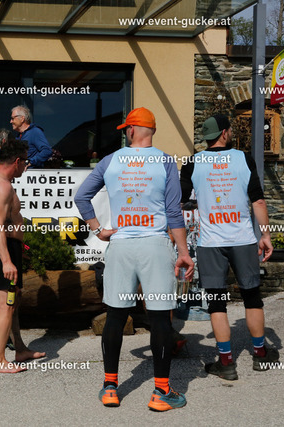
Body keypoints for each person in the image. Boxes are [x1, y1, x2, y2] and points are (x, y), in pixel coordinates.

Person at [75, 107, 194, 411]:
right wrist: (183, 252)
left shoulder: (110, 161)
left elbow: (81, 196)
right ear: (151, 131)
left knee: (116, 315)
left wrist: (98, 229)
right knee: (160, 317)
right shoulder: (166, 161)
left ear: (130, 130)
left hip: (121, 246)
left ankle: (110, 387)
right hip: (155, 244)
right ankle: (161, 392)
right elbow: (173, 212)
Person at [180, 114, 278, 381]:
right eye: (231, 129)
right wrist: (265, 235)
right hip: (243, 238)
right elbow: (258, 201)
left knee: (216, 301)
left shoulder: (192, 163)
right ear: (224, 133)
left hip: (210, 242)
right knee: (252, 296)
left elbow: (181, 201)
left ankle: (226, 363)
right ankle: (260, 354)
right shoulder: (243, 159)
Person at [0, 138, 46, 373]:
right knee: (6, 305)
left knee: (13, 301)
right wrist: (7, 260)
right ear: (17, 161)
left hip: (8, 247)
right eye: (25, 162)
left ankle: (20, 349)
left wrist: (18, 249)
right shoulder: (2, 186)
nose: (26, 167)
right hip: (2, 250)